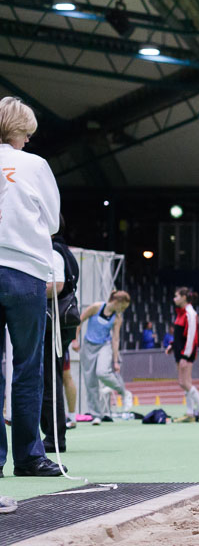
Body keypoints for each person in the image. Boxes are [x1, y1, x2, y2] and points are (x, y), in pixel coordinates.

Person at [0, 96, 65, 477]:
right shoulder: (35, 164)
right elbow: (53, 222)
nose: (27, 141)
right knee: (28, 367)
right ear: (20, 130)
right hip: (23, 271)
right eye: (27, 134)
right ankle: (28, 456)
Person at [40, 219, 79, 453]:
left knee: (49, 380)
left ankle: (55, 436)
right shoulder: (64, 250)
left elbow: (58, 284)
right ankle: (55, 434)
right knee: (52, 378)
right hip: (59, 322)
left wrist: (32, 287)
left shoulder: (54, 251)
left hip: (52, 322)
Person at [75, 291, 134, 425]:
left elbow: (115, 339)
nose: (123, 310)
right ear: (117, 302)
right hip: (88, 346)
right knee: (91, 383)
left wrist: (115, 360)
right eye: (123, 307)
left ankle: (124, 392)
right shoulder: (96, 307)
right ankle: (97, 415)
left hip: (104, 346)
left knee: (101, 372)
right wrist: (75, 340)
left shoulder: (117, 318)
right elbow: (79, 320)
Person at [165, 287, 199, 417]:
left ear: (184, 298)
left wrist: (185, 356)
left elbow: (191, 337)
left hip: (186, 353)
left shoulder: (190, 314)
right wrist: (172, 345)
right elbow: (179, 335)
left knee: (184, 382)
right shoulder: (180, 313)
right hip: (179, 351)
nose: (174, 299)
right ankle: (190, 411)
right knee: (185, 382)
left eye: (176, 296)